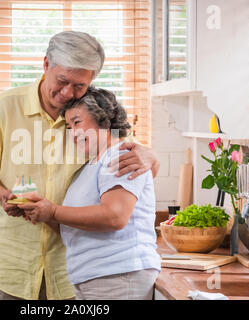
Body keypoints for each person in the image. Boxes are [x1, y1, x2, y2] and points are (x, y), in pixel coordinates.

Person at [0, 31, 160, 300]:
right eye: (62, 81)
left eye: (79, 85)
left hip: (71, 269)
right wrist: (4, 196)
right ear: (46, 65)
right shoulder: (4, 108)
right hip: (11, 264)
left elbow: (131, 160)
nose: (68, 92)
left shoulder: (91, 117)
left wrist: (152, 157)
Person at [20, 86, 161, 300]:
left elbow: (115, 216)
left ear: (103, 120)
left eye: (77, 122)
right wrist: (43, 213)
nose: (73, 132)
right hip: (96, 278)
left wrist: (54, 211)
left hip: (119, 275)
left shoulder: (122, 156)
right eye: (68, 126)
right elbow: (80, 228)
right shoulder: (91, 166)